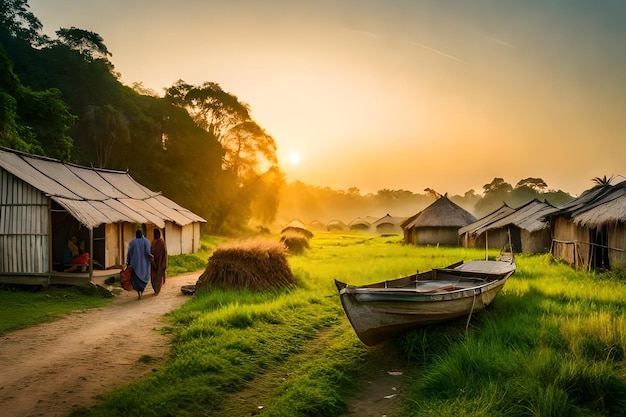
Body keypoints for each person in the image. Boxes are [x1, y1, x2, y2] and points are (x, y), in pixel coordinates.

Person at [126, 229, 151, 299]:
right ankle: (141, 291)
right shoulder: (146, 241)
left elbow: (129, 253)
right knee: (144, 279)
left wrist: (128, 262)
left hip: (135, 265)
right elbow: (148, 252)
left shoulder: (132, 242)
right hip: (145, 265)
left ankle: (138, 292)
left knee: (135, 280)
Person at [150, 229, 168, 295]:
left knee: (158, 277)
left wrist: (164, 263)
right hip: (153, 263)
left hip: (160, 263)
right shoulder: (153, 242)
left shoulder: (162, 242)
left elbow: (165, 254)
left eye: (156, 233)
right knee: (153, 278)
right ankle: (155, 290)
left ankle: (157, 290)